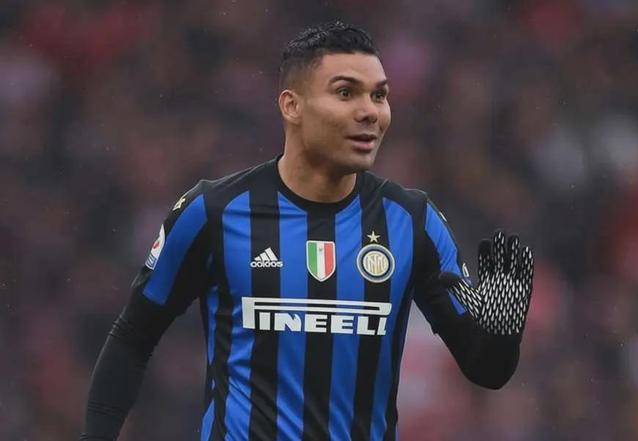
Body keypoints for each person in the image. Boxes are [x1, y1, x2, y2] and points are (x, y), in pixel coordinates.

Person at [81, 21, 534, 441]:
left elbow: (486, 370)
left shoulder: (413, 221)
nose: (369, 112)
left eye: (379, 96)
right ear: (291, 105)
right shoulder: (213, 211)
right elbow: (133, 336)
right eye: (346, 93)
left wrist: (503, 328)